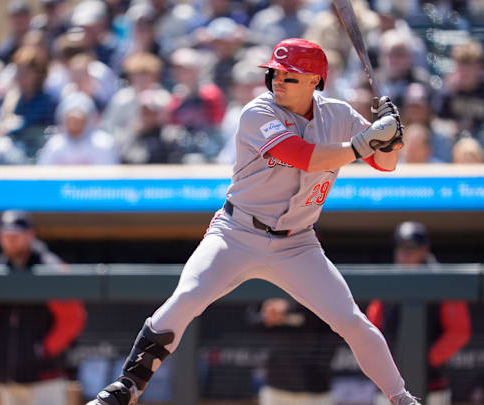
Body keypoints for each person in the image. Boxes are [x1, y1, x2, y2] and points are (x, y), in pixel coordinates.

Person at [87, 38, 419, 405]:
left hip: (297, 243)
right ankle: (127, 387)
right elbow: (303, 156)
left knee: (352, 320)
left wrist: (391, 139)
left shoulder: (339, 115)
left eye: (289, 76)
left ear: (314, 80)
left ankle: (401, 398)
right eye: (275, 73)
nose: (278, 81)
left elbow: (386, 165)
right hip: (237, 232)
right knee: (186, 299)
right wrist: (366, 141)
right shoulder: (257, 112)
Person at [0, 210, 86, 405]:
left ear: (30, 235)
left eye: (16, 235)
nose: (10, 240)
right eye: (6, 235)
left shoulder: (50, 268)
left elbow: (72, 318)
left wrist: (43, 350)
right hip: (7, 376)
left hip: (45, 377)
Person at [366, 222, 471, 405]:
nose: (404, 254)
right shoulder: (387, 282)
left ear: (424, 250)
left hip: (431, 381)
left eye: (411, 249)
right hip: (390, 380)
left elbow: (459, 331)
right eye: (401, 247)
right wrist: (383, 360)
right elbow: (370, 327)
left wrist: (426, 358)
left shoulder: (442, 284)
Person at [253, 298, 338, 405]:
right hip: (276, 388)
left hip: (315, 390)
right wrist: (268, 314)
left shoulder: (326, 296)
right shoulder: (269, 292)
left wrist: (290, 307)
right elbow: (253, 319)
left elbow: (335, 319)